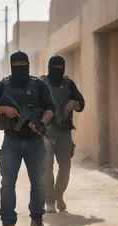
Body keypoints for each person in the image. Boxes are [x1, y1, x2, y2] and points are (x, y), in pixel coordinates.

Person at [0, 51, 55, 226]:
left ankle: (37, 219)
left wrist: (42, 124)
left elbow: (50, 108)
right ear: (11, 65)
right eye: (17, 64)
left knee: (38, 183)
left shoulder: (39, 84)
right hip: (11, 141)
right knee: (7, 183)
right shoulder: (2, 86)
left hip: (35, 142)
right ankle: (8, 224)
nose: (20, 66)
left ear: (29, 64)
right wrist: (5, 109)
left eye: (24, 63)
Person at [40, 55, 85, 213]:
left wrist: (72, 104)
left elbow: (81, 103)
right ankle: (49, 199)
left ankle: (59, 195)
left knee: (65, 165)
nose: (58, 70)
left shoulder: (68, 83)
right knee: (46, 166)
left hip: (64, 131)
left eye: (61, 67)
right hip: (46, 132)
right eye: (56, 67)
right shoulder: (42, 83)